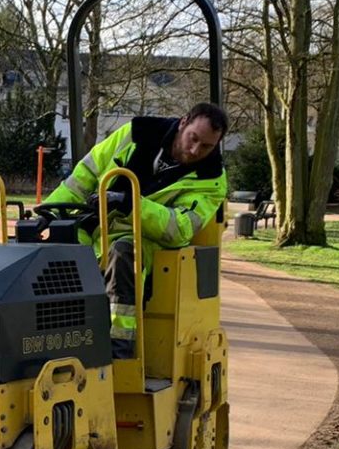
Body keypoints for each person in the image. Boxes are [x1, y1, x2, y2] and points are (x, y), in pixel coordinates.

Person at [47, 102, 228, 359]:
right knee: (50, 247)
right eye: (193, 139)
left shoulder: (211, 179)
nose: (195, 150)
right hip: (96, 225)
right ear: (183, 122)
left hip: (146, 240)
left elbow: (179, 228)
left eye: (207, 146)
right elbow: (86, 174)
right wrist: (50, 214)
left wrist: (131, 203)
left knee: (123, 253)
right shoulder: (136, 133)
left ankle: (120, 349)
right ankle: (55, 340)